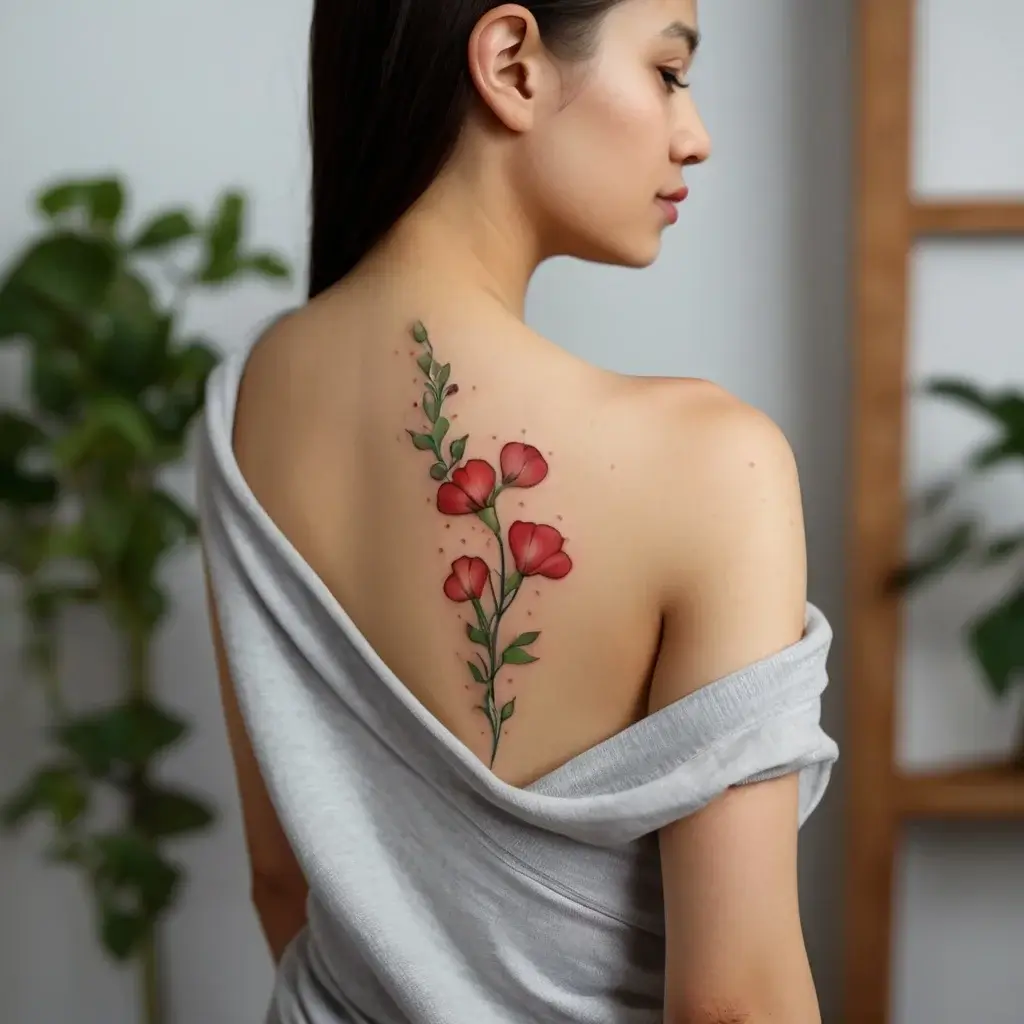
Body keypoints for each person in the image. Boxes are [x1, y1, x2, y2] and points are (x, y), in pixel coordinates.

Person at [197, 1, 838, 1022]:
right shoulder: (717, 467)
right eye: (668, 72)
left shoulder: (246, 400)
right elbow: (738, 1003)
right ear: (510, 63)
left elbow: (283, 881)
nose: (696, 133)